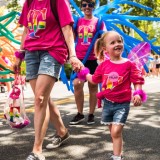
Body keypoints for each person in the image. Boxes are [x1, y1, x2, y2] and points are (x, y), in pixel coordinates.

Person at [13, 0, 83, 160]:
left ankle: (37, 150)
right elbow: (26, 29)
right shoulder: (29, 2)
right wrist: (19, 54)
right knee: (43, 98)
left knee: (40, 98)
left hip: (52, 51)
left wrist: (72, 55)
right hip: (31, 53)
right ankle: (62, 132)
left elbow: (67, 28)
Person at [77, 31, 146, 160]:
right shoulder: (103, 65)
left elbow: (137, 80)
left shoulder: (129, 64)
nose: (117, 44)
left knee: (116, 131)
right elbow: (93, 79)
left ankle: (117, 157)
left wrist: (137, 93)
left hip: (122, 104)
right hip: (107, 103)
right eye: (113, 42)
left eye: (119, 41)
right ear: (105, 48)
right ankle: (118, 153)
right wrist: (83, 71)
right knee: (113, 133)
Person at [70, 0, 106, 125]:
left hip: (94, 59)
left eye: (90, 5)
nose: (87, 7)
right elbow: (71, 39)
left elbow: (104, 39)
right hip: (80, 59)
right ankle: (80, 114)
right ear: (81, 7)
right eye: (84, 5)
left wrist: (102, 56)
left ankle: (91, 114)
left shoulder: (99, 21)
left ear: (93, 7)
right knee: (77, 84)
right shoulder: (77, 22)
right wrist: (70, 55)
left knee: (93, 86)